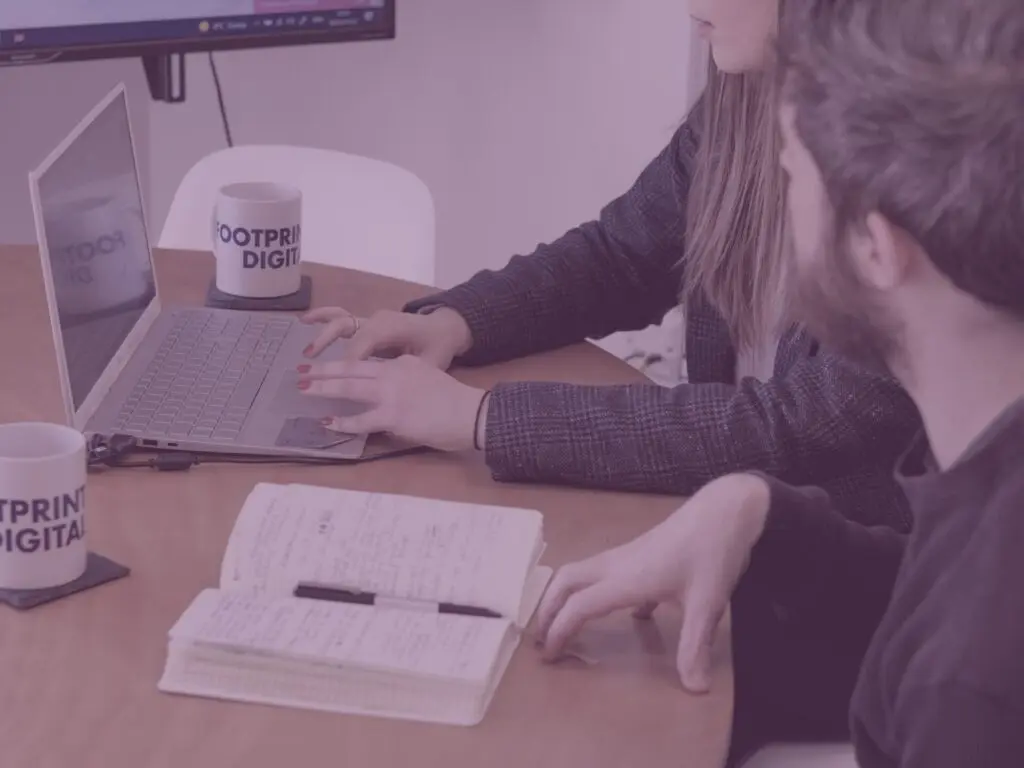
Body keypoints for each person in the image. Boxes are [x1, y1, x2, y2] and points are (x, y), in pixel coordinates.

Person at [535, 0, 1024, 765]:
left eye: (790, 174)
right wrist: (761, 514)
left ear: (875, 245)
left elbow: (951, 644)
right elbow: (930, 594)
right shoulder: (987, 493)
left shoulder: (968, 694)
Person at [292, 0, 920, 529]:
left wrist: (480, 418)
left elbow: (794, 427)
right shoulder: (745, 104)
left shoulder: (919, 169)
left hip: (855, 586)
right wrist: (456, 324)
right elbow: (622, 257)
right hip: (726, 529)